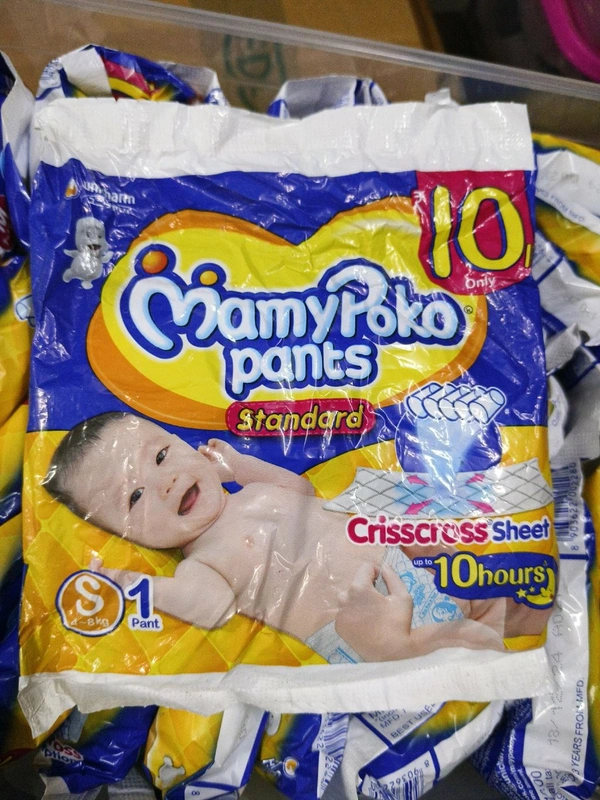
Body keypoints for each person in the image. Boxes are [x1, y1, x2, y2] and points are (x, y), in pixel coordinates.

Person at [43, 412, 529, 662]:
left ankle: (529, 635)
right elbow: (209, 606)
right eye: (134, 497)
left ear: (185, 445)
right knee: (463, 645)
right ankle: (450, 663)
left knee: (499, 604)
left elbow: (300, 490)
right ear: (127, 534)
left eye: (161, 456)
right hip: (358, 630)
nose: (164, 482)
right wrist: (137, 586)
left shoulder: (252, 492)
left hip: (404, 574)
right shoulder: (202, 562)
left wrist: (240, 464)